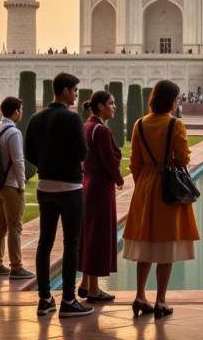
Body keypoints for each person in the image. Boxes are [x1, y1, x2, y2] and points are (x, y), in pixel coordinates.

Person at [123, 80, 199, 319]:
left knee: (145, 242)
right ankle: (161, 301)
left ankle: (139, 295)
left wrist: (144, 184)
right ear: (171, 100)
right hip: (167, 188)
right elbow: (183, 159)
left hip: (145, 186)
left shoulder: (139, 124)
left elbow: (135, 162)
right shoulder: (175, 124)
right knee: (166, 246)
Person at [24, 72, 92, 319]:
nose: (75, 96)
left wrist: (47, 164)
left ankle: (44, 300)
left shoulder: (36, 118)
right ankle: (69, 300)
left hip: (45, 186)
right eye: (74, 91)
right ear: (64, 90)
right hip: (70, 188)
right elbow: (82, 153)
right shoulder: (71, 118)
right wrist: (65, 163)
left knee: (45, 242)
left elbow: (29, 152)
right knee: (71, 244)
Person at [77, 90, 124, 303]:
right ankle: (94, 290)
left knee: (90, 232)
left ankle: (85, 283)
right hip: (101, 187)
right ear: (100, 106)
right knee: (97, 236)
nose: (114, 107)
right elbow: (109, 160)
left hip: (89, 184)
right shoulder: (101, 130)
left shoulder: (87, 126)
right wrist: (119, 178)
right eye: (111, 103)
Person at [0, 96, 34, 280]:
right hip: (11, 185)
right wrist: (22, 184)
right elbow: (18, 161)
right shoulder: (14, 132)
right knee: (15, 226)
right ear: (15, 112)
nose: (21, 113)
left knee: (2, 224)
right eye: (20, 110)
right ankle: (17, 267)